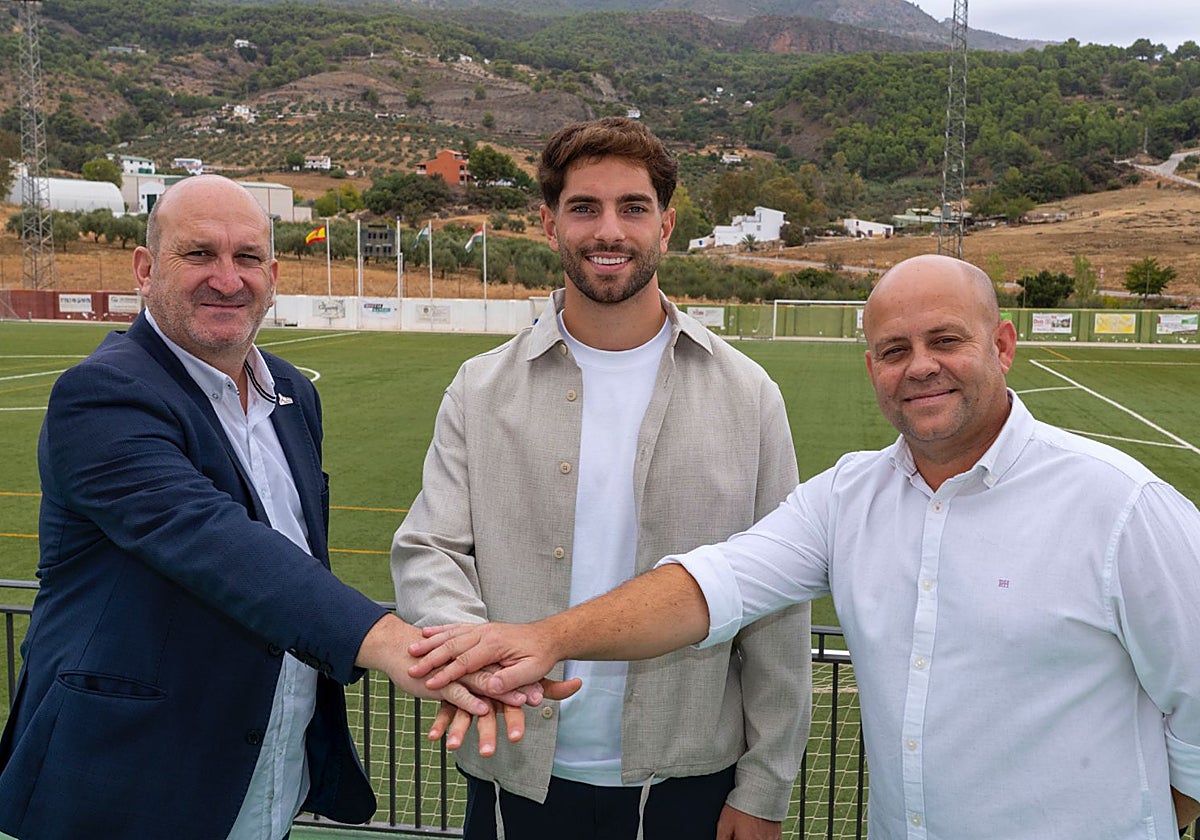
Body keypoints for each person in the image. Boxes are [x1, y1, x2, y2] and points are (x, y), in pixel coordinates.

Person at [412, 253, 1200, 839]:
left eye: (945, 341)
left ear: (1001, 346)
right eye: (894, 351)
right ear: (873, 369)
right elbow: (710, 585)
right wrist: (546, 639)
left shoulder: (1121, 507)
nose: (920, 367)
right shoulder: (849, 496)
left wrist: (1139, 820)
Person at [0, 175, 561, 840]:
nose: (227, 279)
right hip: (127, 784)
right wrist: (398, 647)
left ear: (272, 274)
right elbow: (215, 544)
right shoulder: (101, 396)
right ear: (145, 271)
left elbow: (297, 560)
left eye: (246, 259)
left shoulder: (292, 394)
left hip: (263, 775)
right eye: (199, 254)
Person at [391, 116, 811, 840]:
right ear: (549, 224)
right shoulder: (480, 388)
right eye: (584, 207)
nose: (608, 230)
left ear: (667, 226)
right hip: (517, 771)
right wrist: (483, 664)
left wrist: (766, 784)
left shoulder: (749, 395)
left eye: (633, 208)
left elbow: (779, 602)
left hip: (687, 783)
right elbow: (429, 551)